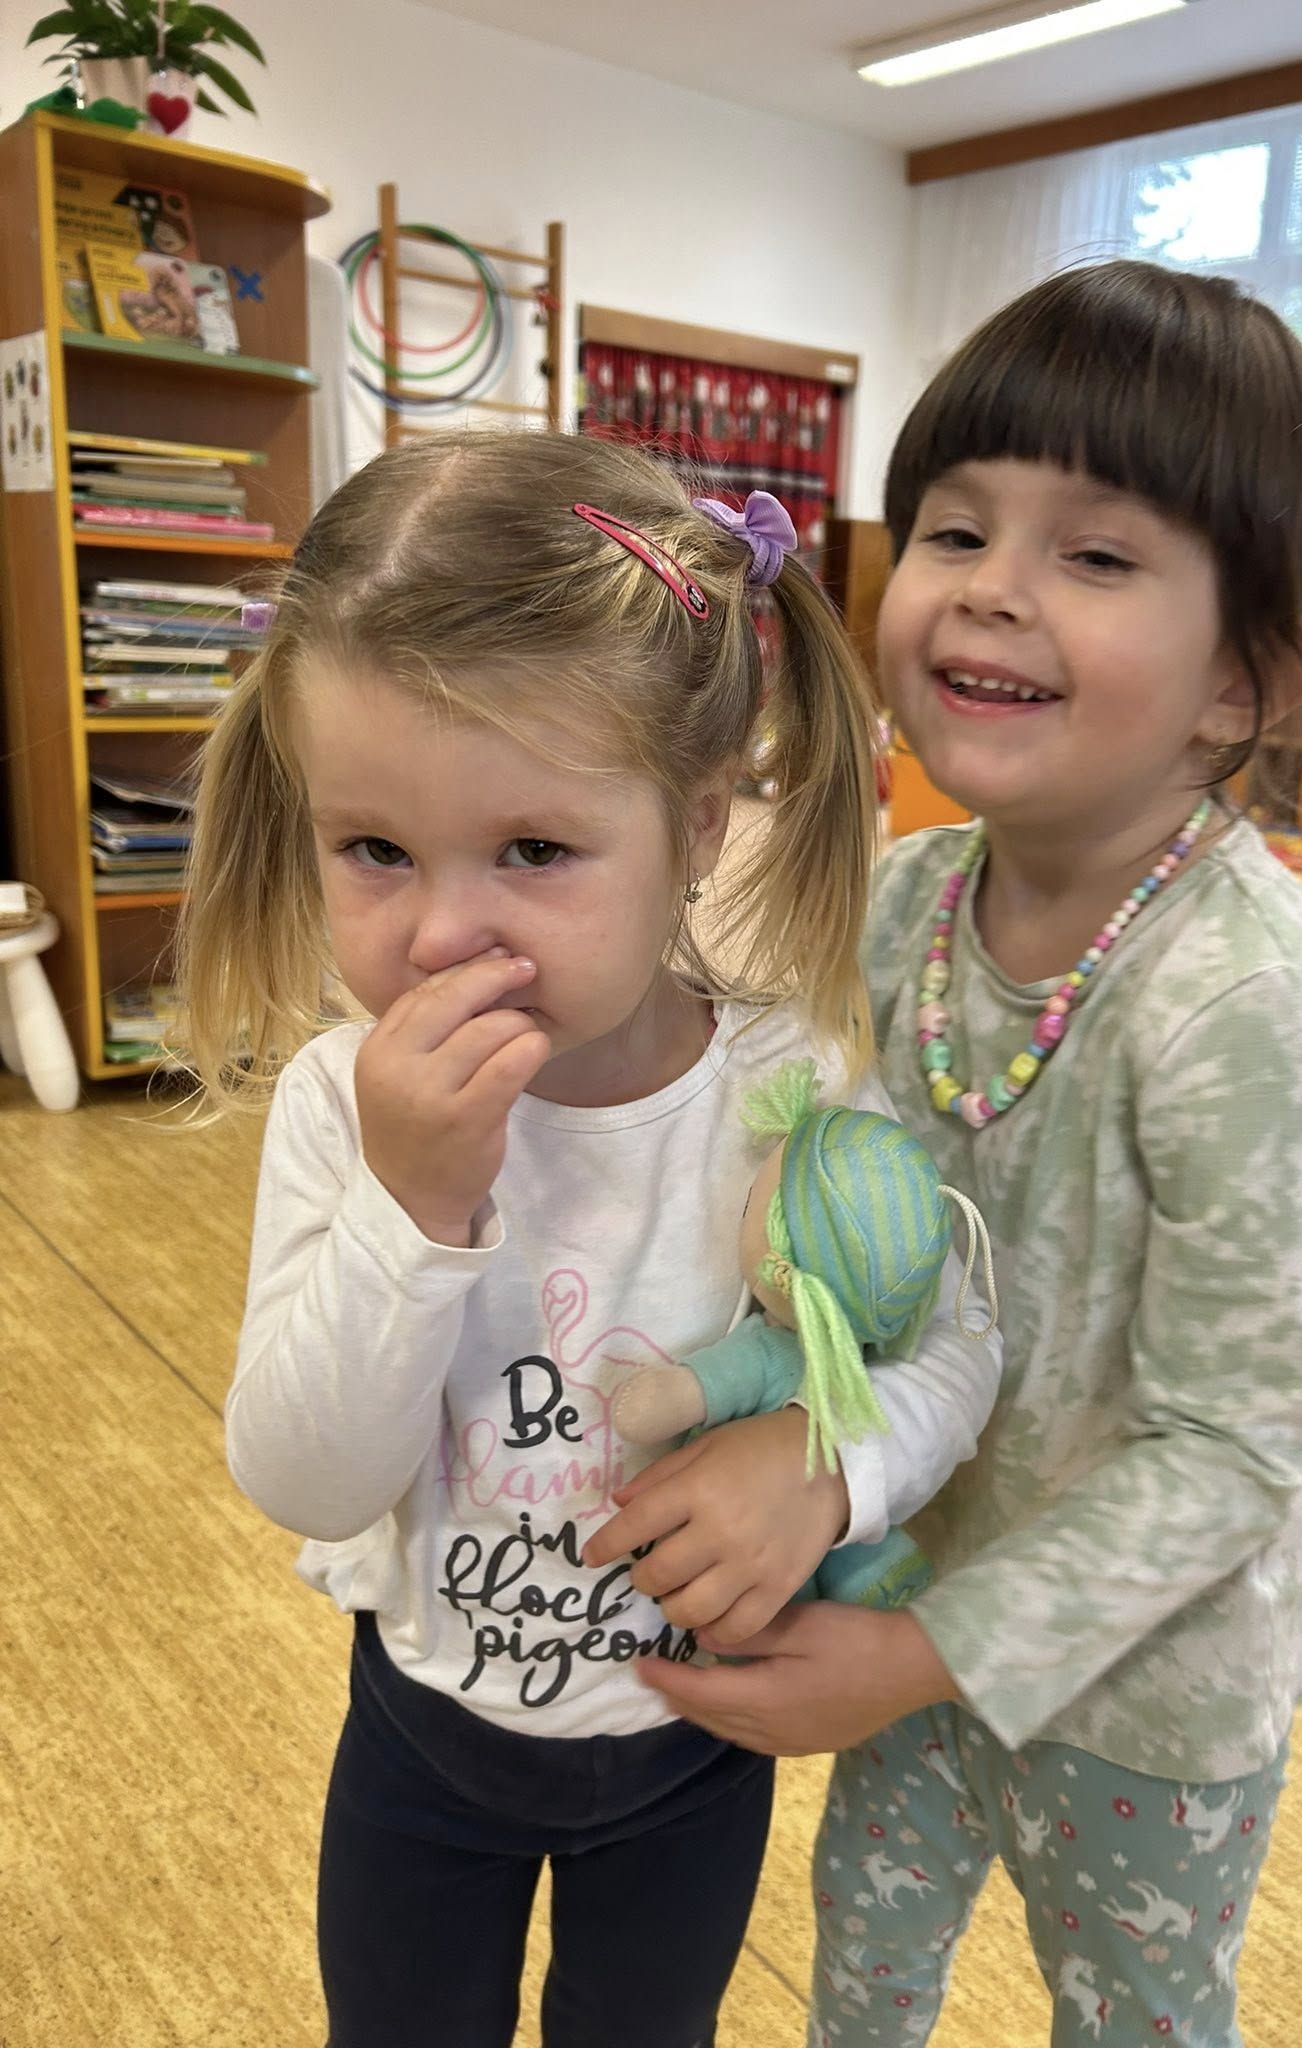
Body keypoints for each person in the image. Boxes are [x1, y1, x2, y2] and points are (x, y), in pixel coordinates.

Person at [629, 261, 1302, 2045]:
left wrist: (915, 1655)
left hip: (1144, 1699)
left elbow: (1237, 1447)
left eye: (1098, 555)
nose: (990, 588)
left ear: (1246, 677)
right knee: (864, 1979)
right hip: (908, 1577)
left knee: (1130, 2014)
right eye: (956, 529)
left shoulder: (1250, 1009)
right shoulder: (903, 901)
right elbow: (803, 1202)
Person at [177, 429, 1002, 2048]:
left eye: (536, 852)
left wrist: (831, 1473)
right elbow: (307, 1480)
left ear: (697, 830)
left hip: (692, 1757)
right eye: (375, 849)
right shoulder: (344, 1103)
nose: (441, 932)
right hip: (421, 1744)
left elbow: (960, 1339)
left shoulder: (790, 1086)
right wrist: (413, 1209)